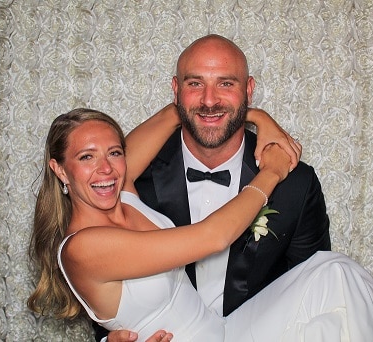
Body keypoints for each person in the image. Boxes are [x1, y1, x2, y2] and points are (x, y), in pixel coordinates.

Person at [28, 108, 373, 341]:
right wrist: (270, 172)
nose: (105, 168)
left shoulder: (124, 194)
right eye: (85, 157)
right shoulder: (84, 247)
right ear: (59, 169)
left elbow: (177, 112)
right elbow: (212, 237)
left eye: (114, 152)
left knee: (337, 272)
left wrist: (255, 116)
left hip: (223, 331)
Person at [99, 33, 330, 342]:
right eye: (195, 84)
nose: (209, 100)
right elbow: (104, 285)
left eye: (226, 84)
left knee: (340, 274)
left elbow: (314, 288)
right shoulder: (132, 179)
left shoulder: (296, 183)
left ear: (249, 89)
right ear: (176, 90)